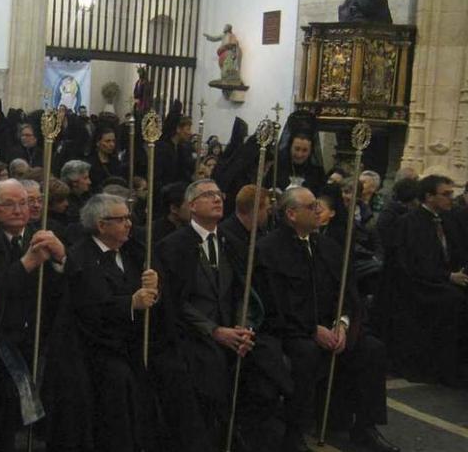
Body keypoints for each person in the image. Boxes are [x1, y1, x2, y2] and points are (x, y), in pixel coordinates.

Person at [255, 187, 398, 452]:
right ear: (291, 214)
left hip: (332, 327)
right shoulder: (269, 249)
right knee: (305, 355)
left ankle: (364, 427)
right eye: (312, 207)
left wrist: (342, 323)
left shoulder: (326, 246)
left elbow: (345, 291)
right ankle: (293, 432)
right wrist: (313, 330)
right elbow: (274, 303)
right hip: (293, 330)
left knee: (371, 349)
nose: (318, 210)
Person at [156, 180, 290, 451]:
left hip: (232, 328)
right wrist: (215, 330)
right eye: (208, 195)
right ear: (192, 206)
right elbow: (176, 301)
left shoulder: (229, 241)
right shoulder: (174, 245)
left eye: (219, 194)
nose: (217, 199)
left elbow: (243, 291)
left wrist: (243, 326)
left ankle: (252, 434)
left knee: (271, 359)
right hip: (193, 333)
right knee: (211, 366)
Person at [0, 179, 68, 452]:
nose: (19, 209)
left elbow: (68, 286)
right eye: (9, 204)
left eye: (24, 203)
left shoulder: (45, 234)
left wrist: (61, 259)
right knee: (4, 404)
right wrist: (26, 264)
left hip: (40, 331)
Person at [57, 193, 159, 451]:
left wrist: (153, 289)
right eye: (121, 219)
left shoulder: (133, 251)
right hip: (95, 349)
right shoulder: (81, 257)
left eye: (129, 217)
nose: (128, 224)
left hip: (130, 344)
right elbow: (91, 306)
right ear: (101, 225)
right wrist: (131, 303)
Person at [391, 175, 468, 386]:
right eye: (445, 194)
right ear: (429, 196)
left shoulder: (447, 219)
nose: (451, 199)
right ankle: (444, 368)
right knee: (453, 301)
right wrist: (448, 276)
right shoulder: (410, 223)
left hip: (444, 279)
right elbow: (415, 263)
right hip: (420, 285)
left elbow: (456, 252)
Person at [218, 184, 271, 276]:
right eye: (267, 210)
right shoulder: (225, 237)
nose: (268, 214)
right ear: (256, 210)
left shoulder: (259, 233)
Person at [155, 115, 194, 187]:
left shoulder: (182, 148)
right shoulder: (162, 148)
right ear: (178, 129)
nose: (190, 133)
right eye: (188, 129)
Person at [87, 127, 125, 193]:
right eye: (107, 141)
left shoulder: (116, 162)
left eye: (113, 141)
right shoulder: (89, 163)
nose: (112, 144)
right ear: (98, 143)